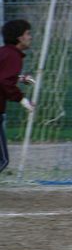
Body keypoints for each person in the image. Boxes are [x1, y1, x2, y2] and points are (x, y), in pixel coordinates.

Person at [1, 20, 36, 175]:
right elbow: (4, 81)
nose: (30, 37)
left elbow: (4, 77)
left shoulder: (4, 53)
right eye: (28, 34)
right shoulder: (13, 56)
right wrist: (23, 100)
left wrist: (20, 79)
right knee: (2, 160)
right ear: (19, 38)